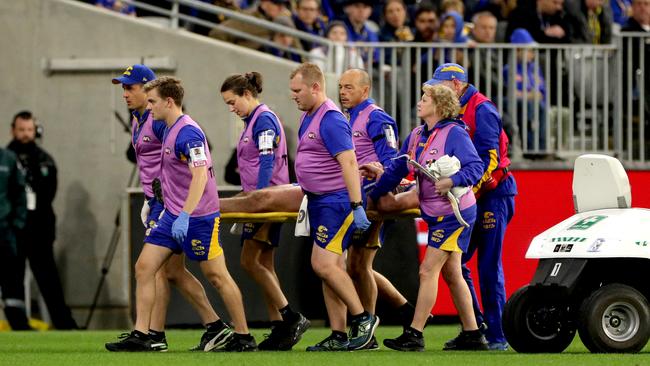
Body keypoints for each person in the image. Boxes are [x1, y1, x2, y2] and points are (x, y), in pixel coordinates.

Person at [106, 76, 255, 352]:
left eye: (152, 101)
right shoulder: (169, 128)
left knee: (217, 276)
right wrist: (157, 200)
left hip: (198, 217)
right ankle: (143, 334)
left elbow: (200, 175)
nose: (149, 107)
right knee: (145, 267)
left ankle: (243, 336)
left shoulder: (188, 132)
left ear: (169, 101)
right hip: (171, 213)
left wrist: (186, 214)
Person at [363, 83, 487, 352]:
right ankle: (473, 334)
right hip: (438, 213)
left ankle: (415, 333)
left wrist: (453, 179)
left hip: (454, 213)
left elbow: (476, 166)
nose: (419, 103)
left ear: (439, 106)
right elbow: (397, 169)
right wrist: (374, 191)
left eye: (424, 99)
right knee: (452, 272)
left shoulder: (454, 133)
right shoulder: (418, 134)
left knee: (427, 270)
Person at [289, 63, 378, 351]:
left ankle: (363, 319)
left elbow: (349, 161)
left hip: (335, 201)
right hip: (318, 200)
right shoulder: (309, 115)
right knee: (332, 268)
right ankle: (338, 334)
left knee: (323, 264)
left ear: (315, 87)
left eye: (298, 90)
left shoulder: (330, 118)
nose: (294, 96)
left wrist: (356, 205)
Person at [428, 63, 517, 351]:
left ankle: (498, 335)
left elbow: (490, 159)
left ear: (455, 84)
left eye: (438, 86)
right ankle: (476, 327)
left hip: (492, 195)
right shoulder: (456, 110)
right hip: (474, 195)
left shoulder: (482, 109)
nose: (433, 92)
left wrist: (467, 191)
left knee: (488, 266)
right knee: (457, 262)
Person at [220, 72, 310, 350]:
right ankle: (279, 326)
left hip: (268, 201)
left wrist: (258, 196)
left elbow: (267, 160)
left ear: (247, 94)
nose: (231, 108)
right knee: (265, 264)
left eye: (232, 102)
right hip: (264, 198)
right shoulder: (253, 121)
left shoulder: (264, 119)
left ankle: (290, 317)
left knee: (249, 262)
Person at [7, 111, 78, 330]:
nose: (26, 135)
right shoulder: (5, 159)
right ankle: (18, 324)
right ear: (13, 130)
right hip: (13, 230)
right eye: (21, 130)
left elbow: (48, 195)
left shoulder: (45, 160)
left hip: (40, 229)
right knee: (12, 278)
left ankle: (64, 325)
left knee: (48, 279)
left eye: (29, 130)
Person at [0, 146, 29, 330]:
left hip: (4, 230)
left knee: (12, 279)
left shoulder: (8, 158)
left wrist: (17, 223)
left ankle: (18, 325)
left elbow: (20, 192)